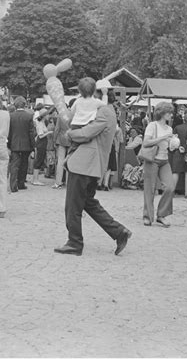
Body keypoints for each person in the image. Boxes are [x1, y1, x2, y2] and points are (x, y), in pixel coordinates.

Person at [54, 87, 132, 257]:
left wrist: (70, 133)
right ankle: (119, 232)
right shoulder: (108, 111)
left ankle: (75, 243)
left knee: (73, 205)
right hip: (90, 165)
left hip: (84, 164)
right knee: (88, 202)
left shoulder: (103, 112)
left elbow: (86, 134)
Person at [141, 102, 178, 228]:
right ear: (161, 113)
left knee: (170, 187)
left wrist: (174, 144)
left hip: (164, 159)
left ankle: (161, 215)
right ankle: (147, 216)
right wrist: (163, 138)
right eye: (168, 112)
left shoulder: (169, 128)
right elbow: (146, 143)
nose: (170, 115)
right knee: (149, 189)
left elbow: (169, 146)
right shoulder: (152, 125)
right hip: (152, 159)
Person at [7, 97, 35, 192]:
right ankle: (21, 183)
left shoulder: (11, 116)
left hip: (14, 143)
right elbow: (31, 132)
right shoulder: (29, 116)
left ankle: (13, 185)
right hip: (26, 144)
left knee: (14, 165)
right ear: (24, 104)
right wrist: (33, 146)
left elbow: (9, 132)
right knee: (24, 165)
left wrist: (9, 144)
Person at [171, 110, 187, 197]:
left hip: (178, 151)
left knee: (176, 172)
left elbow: (173, 140)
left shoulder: (177, 127)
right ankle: (186, 192)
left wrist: (179, 146)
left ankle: (171, 192)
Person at [32, 104, 52, 186]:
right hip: (41, 142)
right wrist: (48, 132)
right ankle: (35, 179)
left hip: (42, 142)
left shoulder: (41, 122)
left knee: (39, 160)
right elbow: (40, 135)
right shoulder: (40, 123)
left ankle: (35, 179)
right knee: (39, 160)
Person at [52, 108, 71, 189]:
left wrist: (54, 140)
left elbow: (57, 129)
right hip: (71, 139)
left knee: (60, 161)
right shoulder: (74, 115)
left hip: (61, 139)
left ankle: (58, 182)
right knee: (69, 161)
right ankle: (68, 182)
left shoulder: (61, 115)